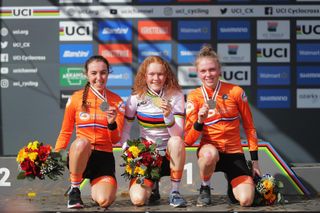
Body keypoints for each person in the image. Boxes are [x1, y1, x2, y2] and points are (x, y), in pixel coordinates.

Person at [184, 44, 261, 207]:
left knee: (246, 200)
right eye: (203, 71)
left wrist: (255, 161)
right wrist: (200, 121)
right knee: (209, 155)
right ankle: (205, 188)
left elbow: (249, 127)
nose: (208, 74)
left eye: (212, 69)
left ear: (219, 70)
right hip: (210, 151)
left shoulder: (236, 91)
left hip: (234, 153)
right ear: (197, 73)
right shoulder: (194, 96)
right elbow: (188, 141)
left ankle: (232, 185)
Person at [55, 55, 125, 209]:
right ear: (86, 74)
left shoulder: (116, 101)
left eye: (103, 73)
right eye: (94, 73)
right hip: (81, 155)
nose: (99, 77)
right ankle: (75, 189)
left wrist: (111, 124)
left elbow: (115, 140)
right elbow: (65, 132)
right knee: (82, 142)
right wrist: (56, 153)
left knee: (105, 201)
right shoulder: (75, 99)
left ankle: (94, 188)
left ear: (108, 73)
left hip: (103, 158)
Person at [121, 56, 187, 207]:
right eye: (152, 74)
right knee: (138, 200)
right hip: (148, 156)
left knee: (176, 142)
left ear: (167, 76)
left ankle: (175, 192)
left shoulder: (176, 95)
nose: (156, 78)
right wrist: (128, 151)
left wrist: (168, 116)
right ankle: (153, 185)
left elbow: (177, 135)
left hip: (169, 155)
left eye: (160, 74)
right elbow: (124, 132)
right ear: (145, 76)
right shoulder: (135, 97)